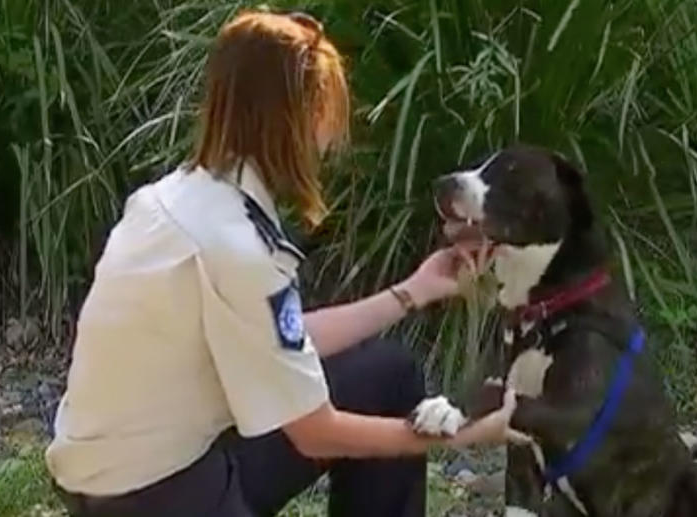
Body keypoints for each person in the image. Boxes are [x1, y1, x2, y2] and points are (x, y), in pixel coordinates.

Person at [45, 9, 517, 517]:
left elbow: (279, 341)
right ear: (296, 115)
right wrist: (465, 433)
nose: (331, 138)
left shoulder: (173, 199)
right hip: (160, 498)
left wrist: (412, 292)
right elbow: (316, 433)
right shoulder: (236, 247)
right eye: (326, 112)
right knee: (367, 396)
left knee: (387, 375)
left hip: (117, 478)